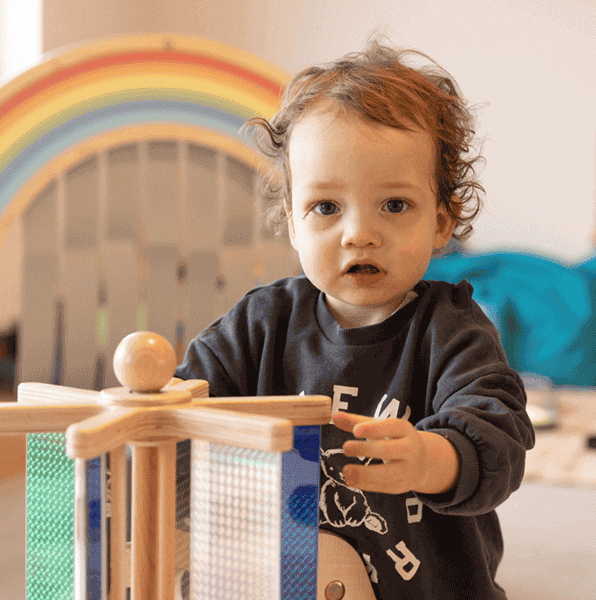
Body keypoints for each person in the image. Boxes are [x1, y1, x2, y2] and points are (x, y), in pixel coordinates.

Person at [175, 39, 535, 599]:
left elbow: (499, 440)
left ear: (441, 223)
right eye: (326, 207)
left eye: (394, 205)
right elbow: (184, 408)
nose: (358, 233)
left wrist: (429, 459)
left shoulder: (452, 329)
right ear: (293, 223)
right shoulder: (259, 324)